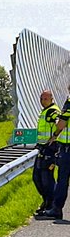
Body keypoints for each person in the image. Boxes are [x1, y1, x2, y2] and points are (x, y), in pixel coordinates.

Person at [42, 84, 70, 221]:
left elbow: (62, 123)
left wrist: (55, 135)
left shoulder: (69, 102)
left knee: (62, 180)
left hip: (67, 148)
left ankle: (56, 209)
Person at [34, 89, 60, 215]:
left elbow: (60, 123)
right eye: (41, 98)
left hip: (51, 149)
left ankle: (51, 205)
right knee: (37, 177)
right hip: (41, 148)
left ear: (51, 99)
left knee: (47, 179)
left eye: (45, 99)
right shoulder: (44, 111)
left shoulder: (53, 110)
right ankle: (46, 201)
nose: (42, 101)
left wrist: (55, 136)